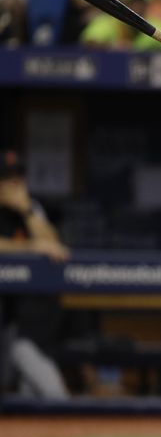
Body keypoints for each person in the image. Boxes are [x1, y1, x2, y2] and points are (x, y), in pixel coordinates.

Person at [0, 149, 71, 401]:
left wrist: (27, 210)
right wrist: (30, 248)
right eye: (7, 179)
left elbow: (55, 246)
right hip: (8, 314)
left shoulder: (30, 208)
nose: (15, 185)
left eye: (19, 177)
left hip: (26, 319)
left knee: (31, 391)